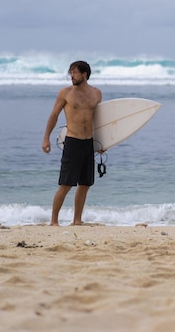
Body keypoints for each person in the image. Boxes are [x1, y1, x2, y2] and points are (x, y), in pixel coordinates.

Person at [42, 61, 102, 226]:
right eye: (70, 73)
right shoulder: (66, 93)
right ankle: (54, 221)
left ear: (84, 74)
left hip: (88, 142)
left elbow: (99, 120)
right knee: (66, 184)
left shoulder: (96, 93)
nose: (71, 76)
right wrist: (46, 137)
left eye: (74, 73)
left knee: (85, 184)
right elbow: (54, 115)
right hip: (72, 142)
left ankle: (77, 220)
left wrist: (102, 143)